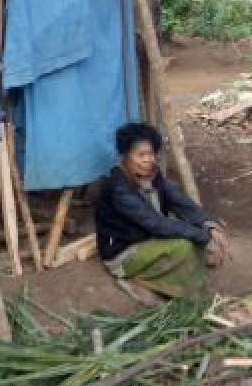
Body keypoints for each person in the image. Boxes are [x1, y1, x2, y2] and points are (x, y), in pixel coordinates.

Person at [95, 122, 230, 303]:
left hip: (147, 236)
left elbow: (179, 201)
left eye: (150, 154)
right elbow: (155, 224)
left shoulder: (153, 175)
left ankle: (170, 276)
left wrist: (208, 224)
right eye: (140, 155)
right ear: (126, 155)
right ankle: (139, 281)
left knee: (194, 239)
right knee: (185, 246)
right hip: (123, 251)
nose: (147, 160)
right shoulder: (118, 187)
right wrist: (203, 236)